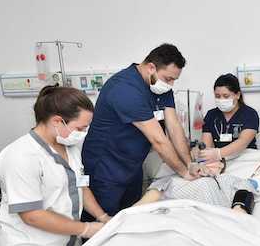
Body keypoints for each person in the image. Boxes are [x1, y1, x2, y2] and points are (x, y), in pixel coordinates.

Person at [0, 86, 110, 246]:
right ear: (58, 121)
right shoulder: (21, 156)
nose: (83, 134)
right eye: (80, 128)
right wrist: (86, 228)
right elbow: (31, 215)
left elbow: (81, 186)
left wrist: (103, 218)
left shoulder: (70, 148)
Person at [81, 43, 195, 223]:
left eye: (174, 80)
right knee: (102, 226)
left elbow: (174, 127)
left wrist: (189, 164)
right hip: (106, 168)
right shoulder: (125, 90)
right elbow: (158, 140)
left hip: (132, 166)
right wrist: (183, 172)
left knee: (131, 219)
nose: (171, 84)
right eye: (168, 78)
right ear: (151, 67)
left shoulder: (160, 86)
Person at [136, 159, 257, 215]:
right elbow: (150, 198)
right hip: (176, 218)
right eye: (200, 161)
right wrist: (128, 214)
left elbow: (246, 191)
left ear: (220, 165)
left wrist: (238, 212)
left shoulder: (226, 179)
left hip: (212, 220)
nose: (202, 164)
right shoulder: (175, 179)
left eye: (207, 161)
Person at [198, 73, 259, 162]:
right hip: (220, 161)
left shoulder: (250, 114)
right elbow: (206, 144)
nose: (221, 99)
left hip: (245, 160)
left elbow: (243, 142)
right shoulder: (211, 115)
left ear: (237, 95)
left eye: (226, 96)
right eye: (217, 96)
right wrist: (204, 155)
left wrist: (218, 153)